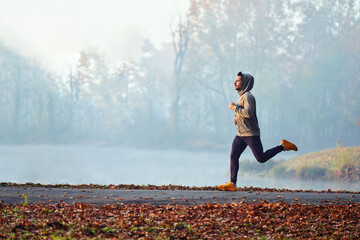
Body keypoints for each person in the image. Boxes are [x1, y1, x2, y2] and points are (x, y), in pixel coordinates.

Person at [218, 72, 298, 191]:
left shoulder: (248, 96)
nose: (235, 82)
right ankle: (232, 184)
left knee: (261, 158)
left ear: (245, 83)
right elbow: (243, 113)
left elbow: (249, 113)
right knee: (233, 156)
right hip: (240, 134)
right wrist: (237, 119)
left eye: (238, 81)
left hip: (251, 134)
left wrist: (233, 107)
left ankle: (283, 146)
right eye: (235, 80)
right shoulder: (242, 96)